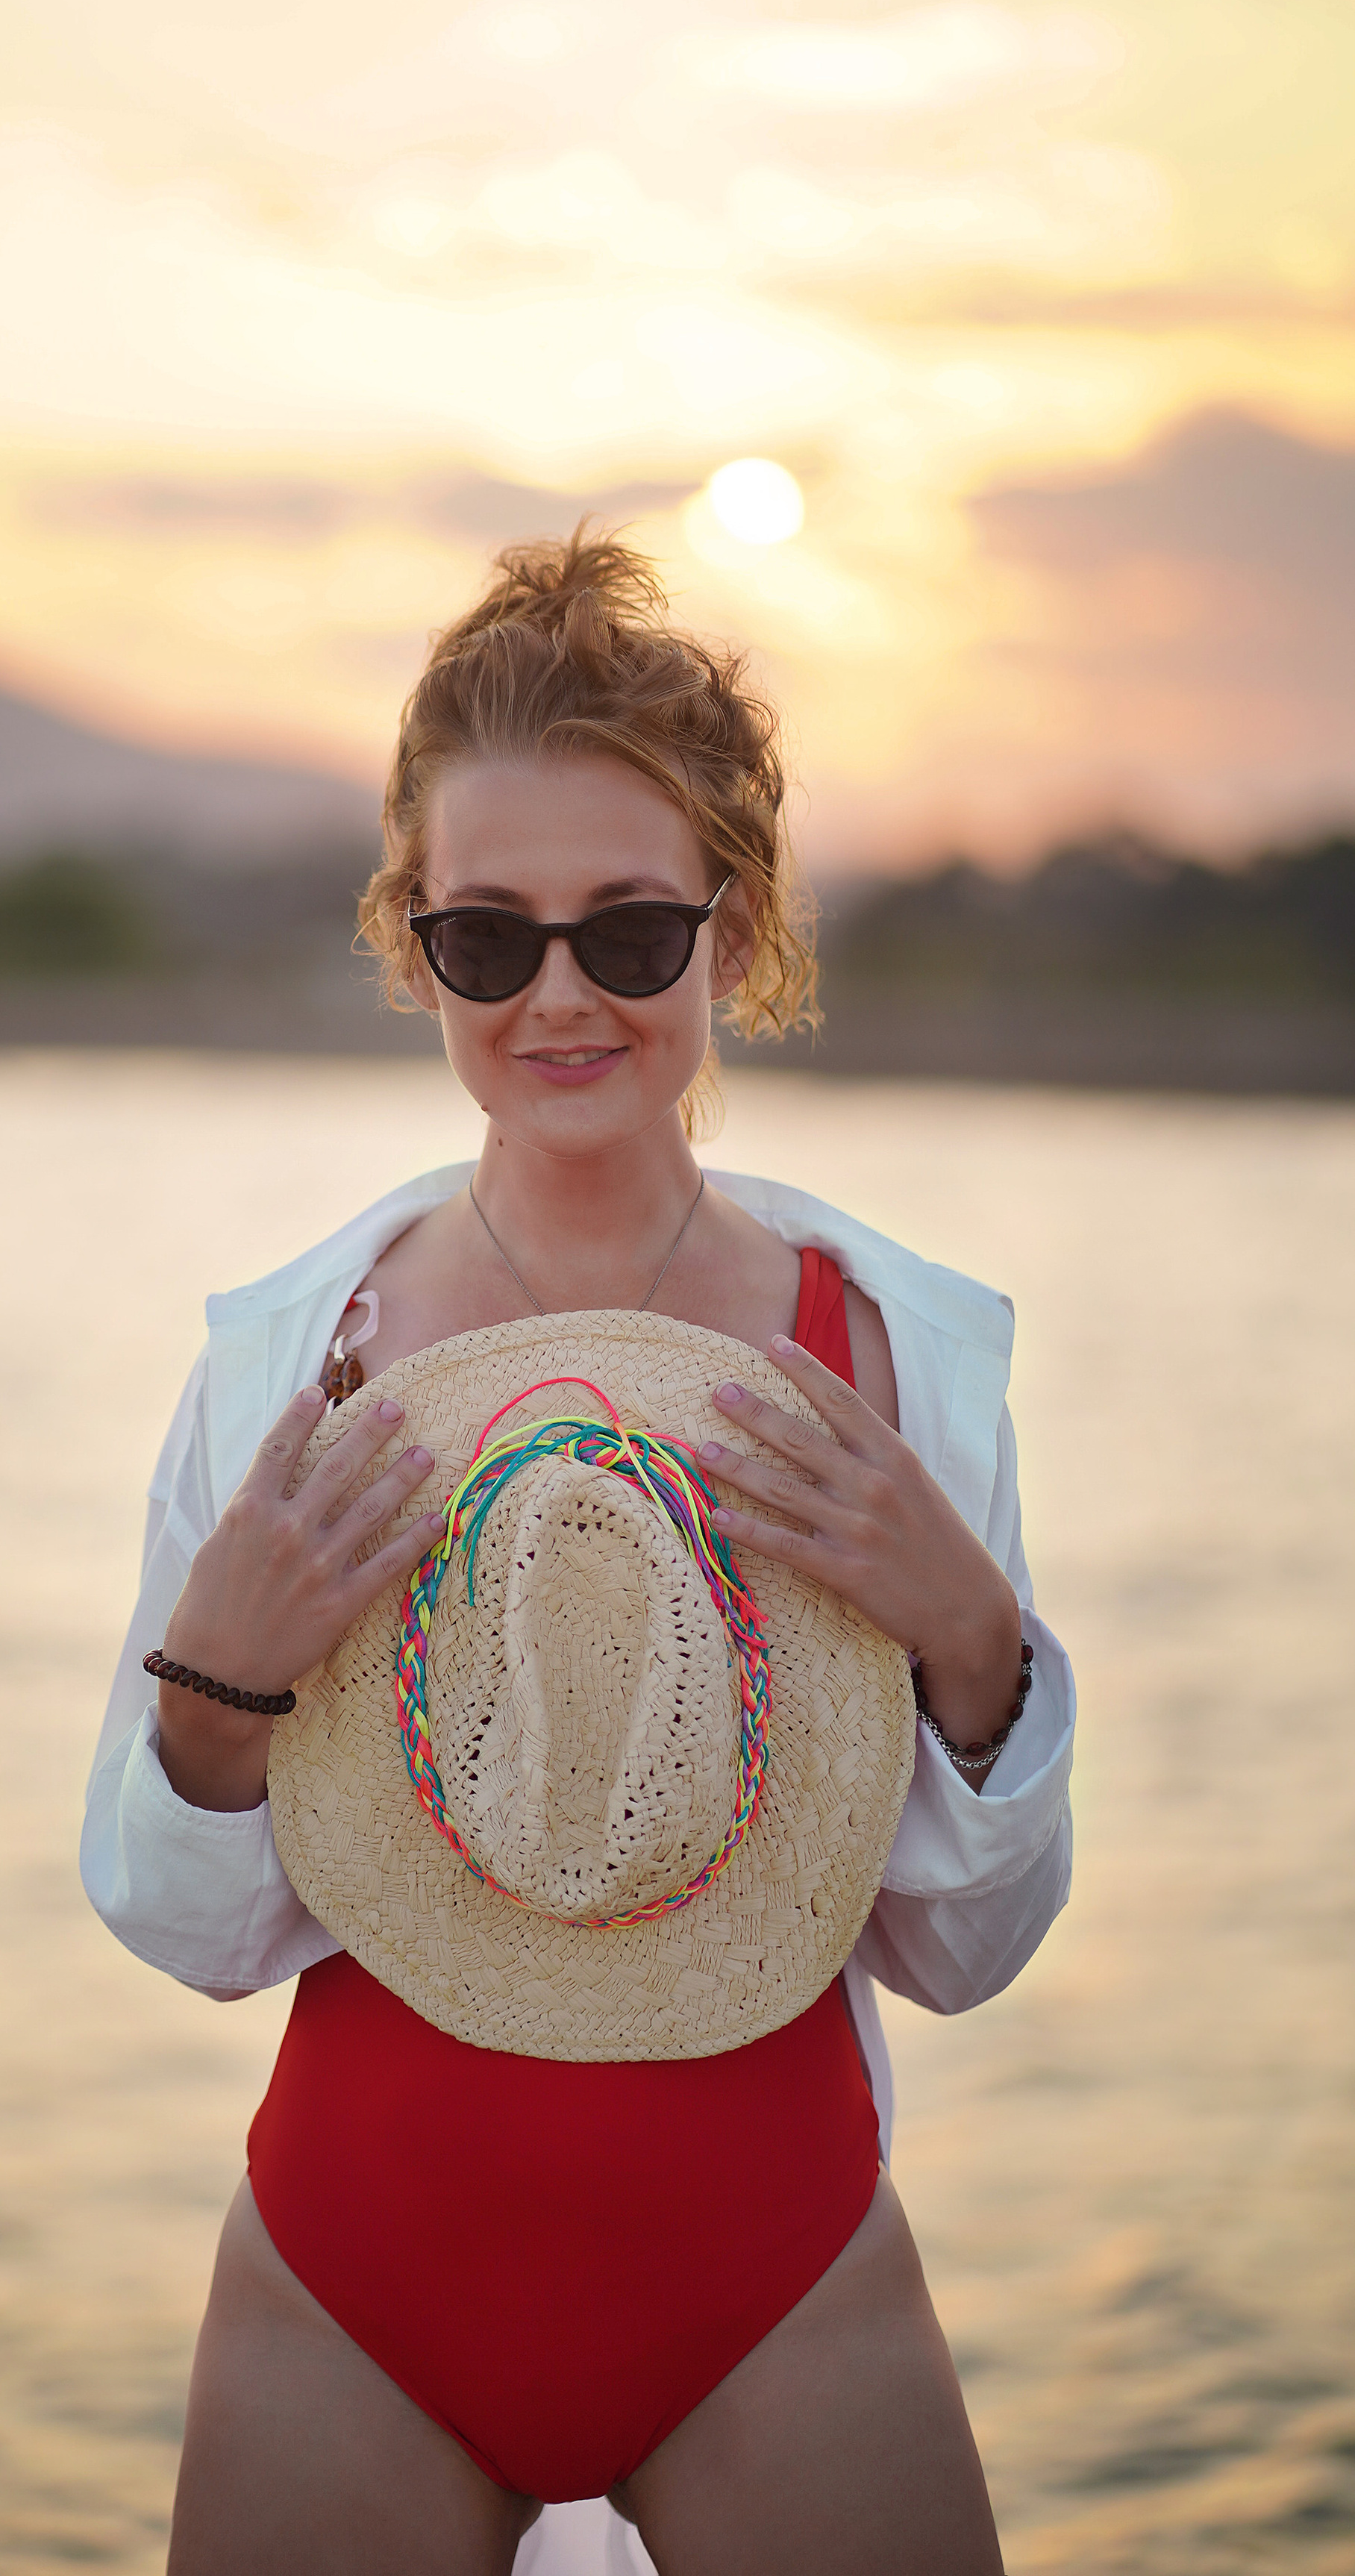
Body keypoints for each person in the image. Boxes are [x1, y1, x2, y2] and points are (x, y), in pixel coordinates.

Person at [82, 531, 1074, 2576]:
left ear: (735, 924)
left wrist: (973, 1641)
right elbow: (192, 1931)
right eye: (484, 940)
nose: (558, 998)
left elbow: (964, 1956)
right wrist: (223, 1680)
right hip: (352, 2283)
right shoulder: (302, 1356)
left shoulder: (891, 1357)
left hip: (780, 2282)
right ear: (411, 935)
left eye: (628, 937)